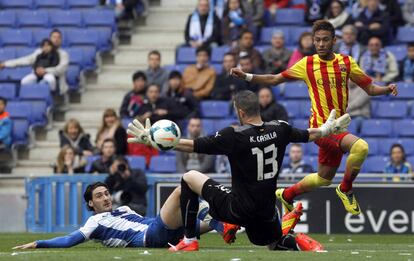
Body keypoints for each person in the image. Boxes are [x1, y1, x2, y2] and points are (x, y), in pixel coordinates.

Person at [127, 90, 351, 251]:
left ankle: (189, 240)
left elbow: (193, 145)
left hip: (237, 209)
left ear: (241, 112)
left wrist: (157, 142)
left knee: (189, 178)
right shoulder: (280, 129)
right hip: (266, 211)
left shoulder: (233, 136)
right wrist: (326, 129)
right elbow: (307, 135)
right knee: (273, 243)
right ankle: (300, 243)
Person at [230, 20, 398, 217]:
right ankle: (345, 189)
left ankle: (287, 194)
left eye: (325, 40)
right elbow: (275, 79)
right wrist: (247, 77)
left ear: (334, 40)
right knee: (361, 147)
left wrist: (386, 89)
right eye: (317, 40)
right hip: (320, 128)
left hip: (338, 129)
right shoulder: (307, 64)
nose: (320, 44)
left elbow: (369, 88)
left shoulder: (346, 62)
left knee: (323, 178)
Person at [13, 182, 240, 249]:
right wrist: (38, 243)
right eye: (100, 196)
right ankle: (223, 226)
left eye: (107, 193)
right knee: (184, 189)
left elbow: (147, 221)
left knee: (203, 216)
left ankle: (229, 224)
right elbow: (69, 240)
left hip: (163, 232)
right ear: (91, 203)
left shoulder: (123, 209)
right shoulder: (94, 222)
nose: (106, 198)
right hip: (151, 238)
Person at [0, 29, 69, 94]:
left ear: (61, 40)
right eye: (54, 37)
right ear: (50, 38)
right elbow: (25, 60)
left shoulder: (63, 54)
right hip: (37, 76)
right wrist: (6, 64)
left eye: (59, 37)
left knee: (46, 82)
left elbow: (61, 69)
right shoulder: (40, 52)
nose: (56, 40)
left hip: (55, 81)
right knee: (25, 82)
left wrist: (45, 70)